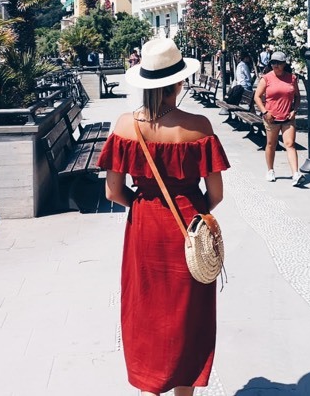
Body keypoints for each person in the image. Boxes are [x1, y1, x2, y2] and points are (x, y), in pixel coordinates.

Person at [98, 38, 229, 396]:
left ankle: (149, 387)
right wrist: (192, 209)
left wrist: (145, 205)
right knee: (188, 315)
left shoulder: (125, 126)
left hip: (143, 227)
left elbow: (112, 192)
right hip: (188, 225)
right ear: (179, 83)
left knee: (146, 310)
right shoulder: (199, 127)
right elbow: (215, 194)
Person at [254, 51, 304, 187]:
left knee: (290, 144)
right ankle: (270, 170)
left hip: (288, 117)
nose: (275, 65)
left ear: (284, 64)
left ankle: (295, 173)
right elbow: (257, 97)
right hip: (271, 118)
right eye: (273, 63)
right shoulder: (267, 78)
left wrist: (295, 110)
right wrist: (265, 112)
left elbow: (298, 96)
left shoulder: (292, 78)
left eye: (278, 63)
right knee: (271, 144)